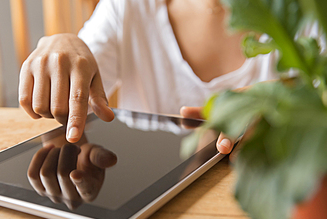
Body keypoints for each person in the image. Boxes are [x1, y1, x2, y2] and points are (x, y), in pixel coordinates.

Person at [18, 0, 279, 154]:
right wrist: (63, 45)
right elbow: (77, 83)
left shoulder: (311, 16)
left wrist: (289, 98)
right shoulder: (127, 8)